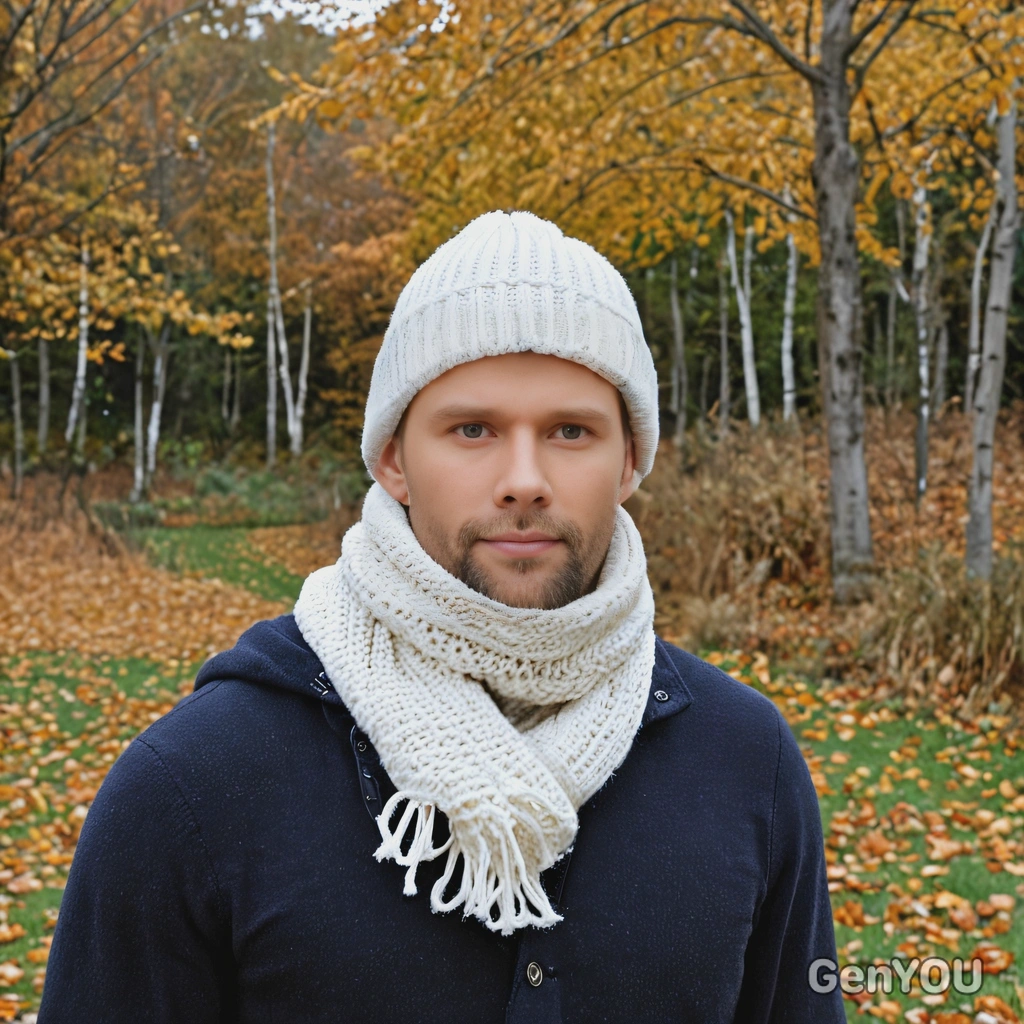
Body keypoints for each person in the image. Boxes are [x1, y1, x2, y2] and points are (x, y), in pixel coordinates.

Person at [37, 210, 845, 1023]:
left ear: (630, 459)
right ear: (393, 458)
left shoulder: (749, 765)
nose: (524, 480)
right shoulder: (192, 786)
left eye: (571, 430)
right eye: (472, 429)